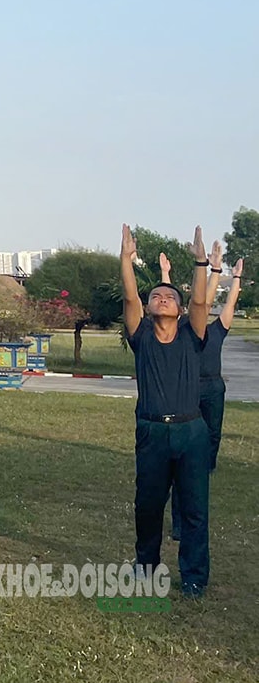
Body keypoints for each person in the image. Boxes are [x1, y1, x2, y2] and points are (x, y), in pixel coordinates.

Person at [122, 227, 211, 596]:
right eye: (156, 296)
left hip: (191, 433)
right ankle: (146, 568)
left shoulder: (192, 335)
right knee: (148, 505)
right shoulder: (141, 336)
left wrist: (200, 262)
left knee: (193, 508)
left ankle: (193, 576)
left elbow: (203, 303)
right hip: (153, 432)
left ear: (180, 309)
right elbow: (129, 298)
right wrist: (125, 259)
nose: (161, 299)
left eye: (168, 296)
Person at [174, 251, 240, 541]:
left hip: (214, 387)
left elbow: (228, 304)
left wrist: (235, 277)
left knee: (212, 435)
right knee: (185, 451)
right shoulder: (186, 330)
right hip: (190, 387)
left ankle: (207, 464)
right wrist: (213, 269)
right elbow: (200, 299)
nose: (207, 308)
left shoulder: (218, 330)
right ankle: (178, 521)